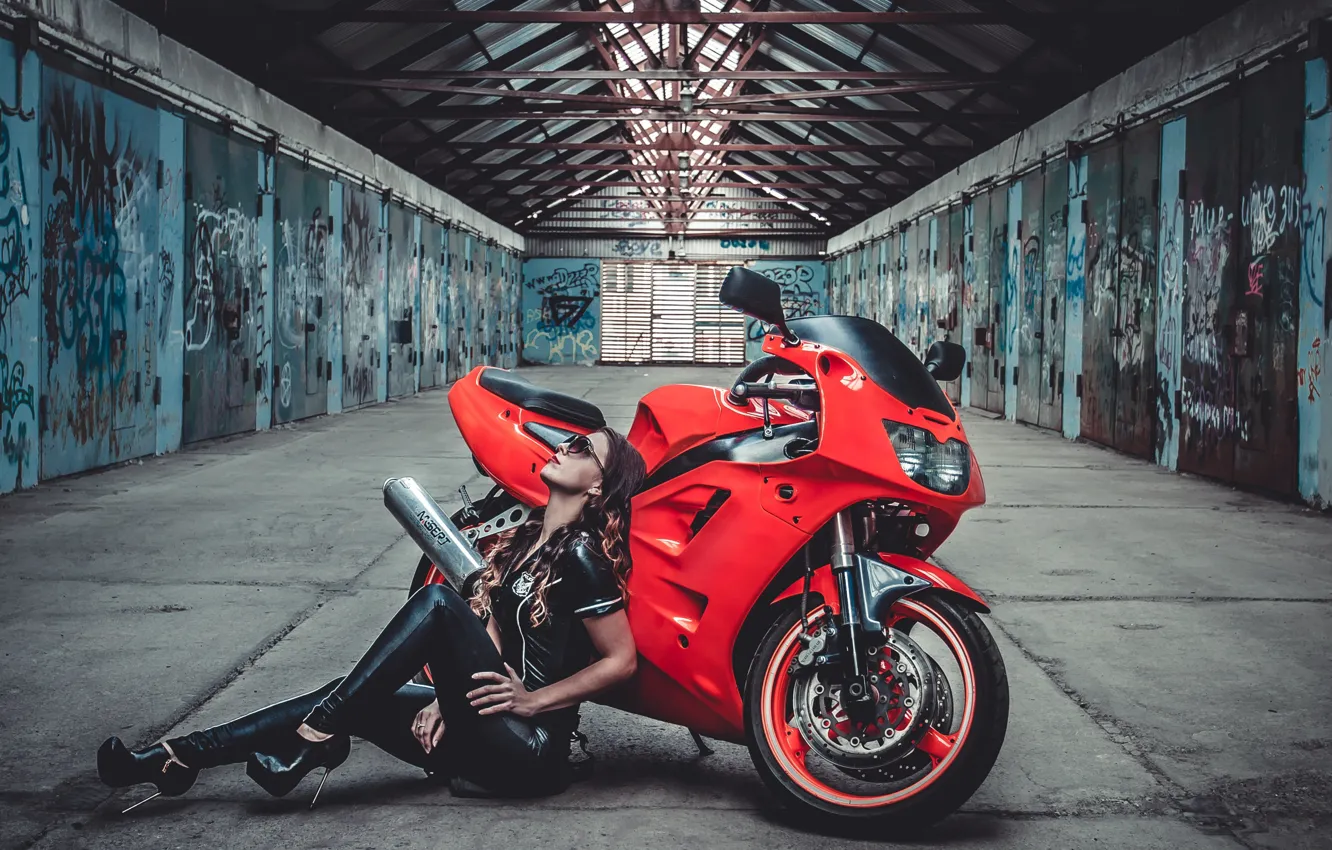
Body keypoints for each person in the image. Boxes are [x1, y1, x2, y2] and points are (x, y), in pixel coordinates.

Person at [96, 428, 646, 807]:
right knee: (349, 692)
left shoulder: (583, 555)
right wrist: (445, 700)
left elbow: (622, 662)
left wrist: (532, 702)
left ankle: (316, 736)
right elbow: (489, 649)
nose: (564, 448)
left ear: (598, 484)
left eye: (581, 449)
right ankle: (171, 758)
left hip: (529, 750)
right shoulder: (527, 538)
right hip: (484, 727)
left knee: (436, 605)